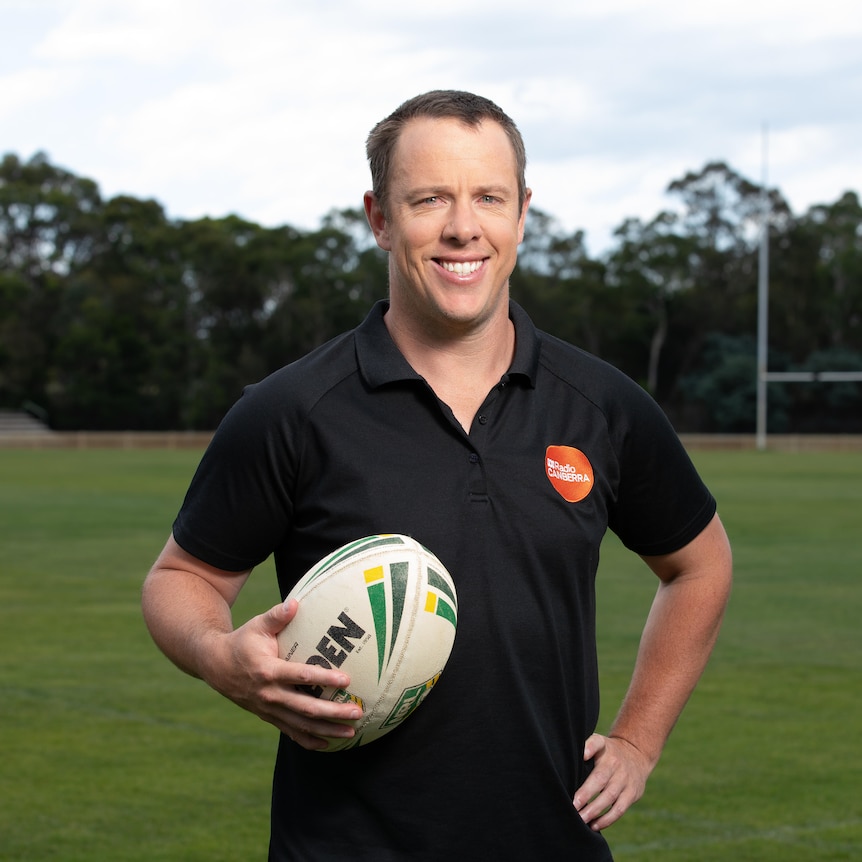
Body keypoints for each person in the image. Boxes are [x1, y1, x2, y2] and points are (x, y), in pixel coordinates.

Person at [142, 89, 732, 861]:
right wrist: (220, 657)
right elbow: (181, 577)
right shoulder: (292, 410)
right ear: (380, 218)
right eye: (429, 199)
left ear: (522, 213)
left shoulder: (602, 406)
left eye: (488, 197)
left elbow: (700, 563)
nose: (463, 227)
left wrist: (638, 739)